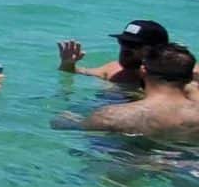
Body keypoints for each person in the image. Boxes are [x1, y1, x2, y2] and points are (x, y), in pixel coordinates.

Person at [56, 43, 199, 141]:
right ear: (189, 77)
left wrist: (66, 117)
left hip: (132, 161)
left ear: (143, 71)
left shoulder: (111, 116)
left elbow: (64, 127)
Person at [58, 19, 168, 87]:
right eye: (123, 42)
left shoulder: (170, 79)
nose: (125, 48)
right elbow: (73, 72)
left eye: (133, 45)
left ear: (155, 50)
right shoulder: (114, 70)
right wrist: (68, 63)